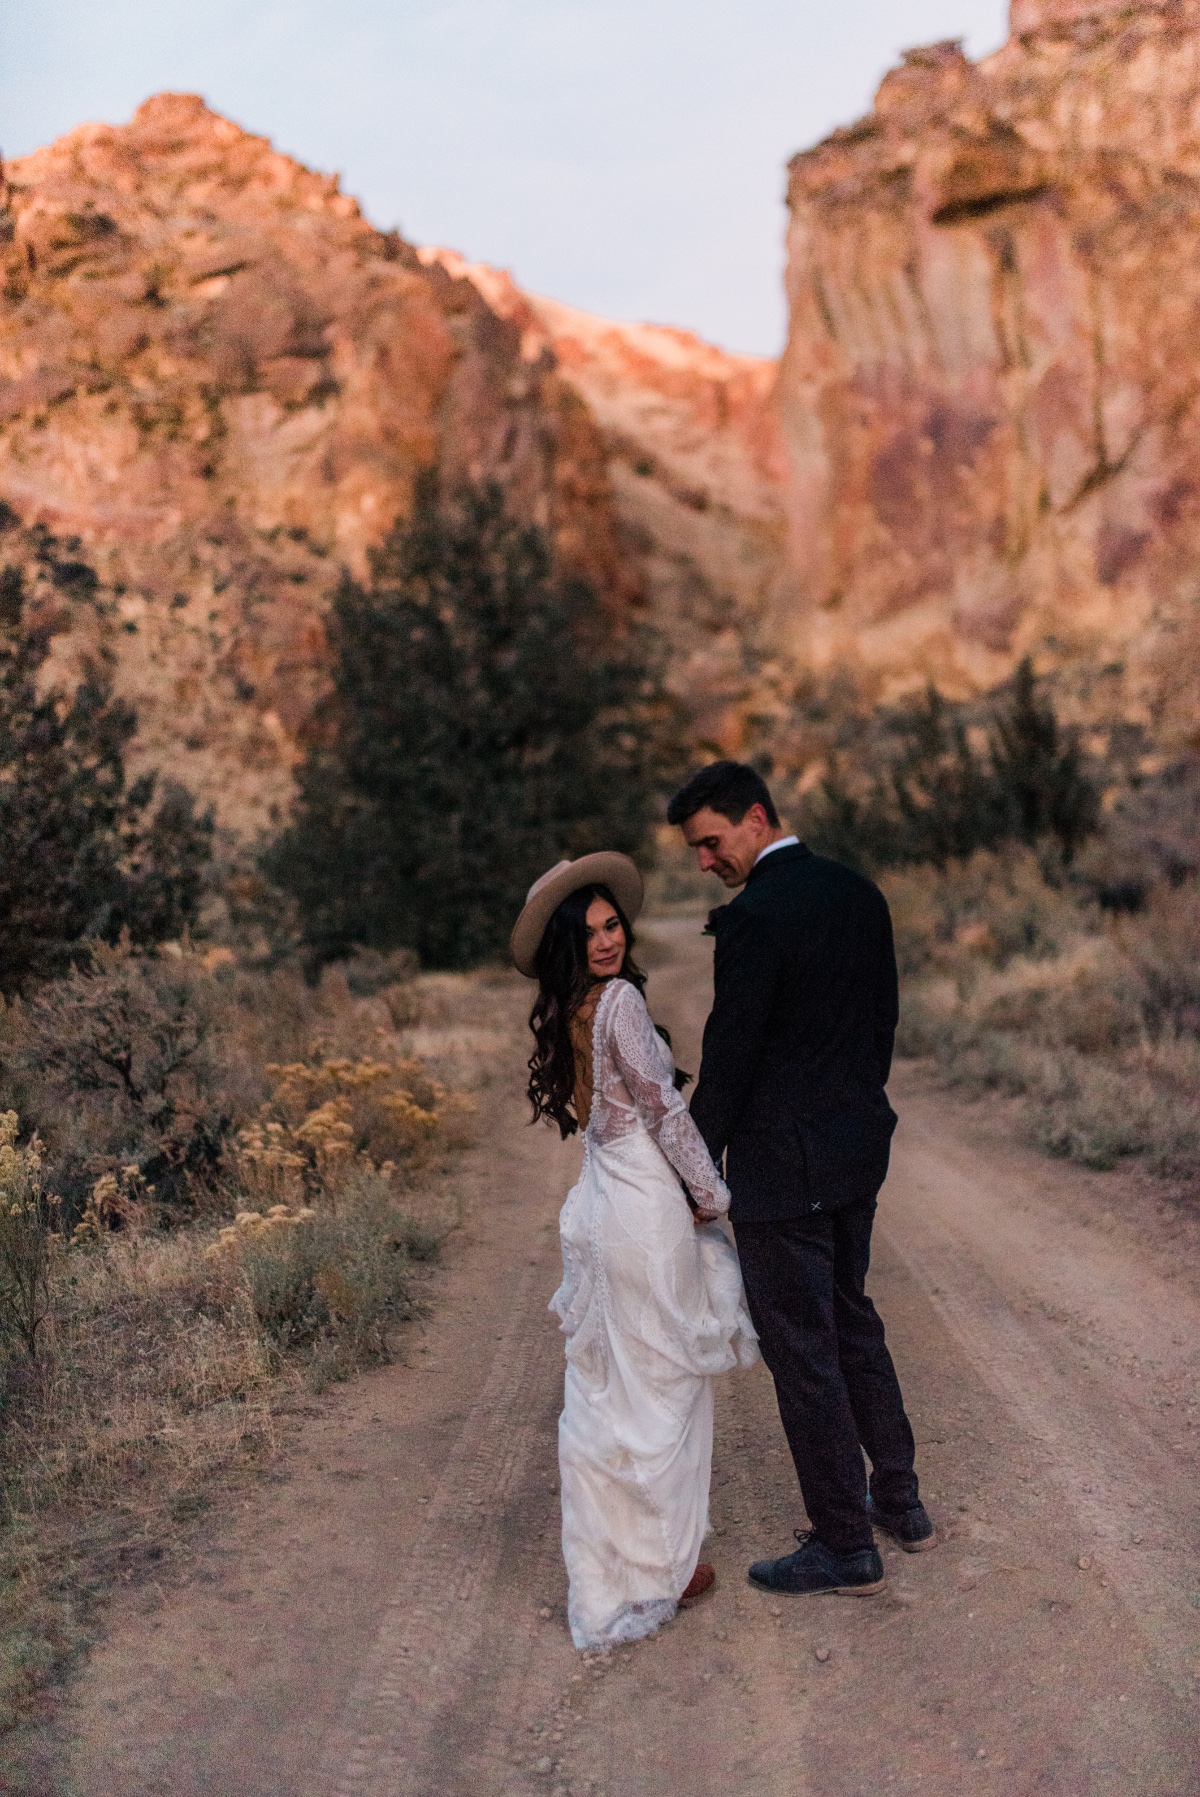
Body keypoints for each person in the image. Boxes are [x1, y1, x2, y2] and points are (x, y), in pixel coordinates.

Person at [667, 761, 935, 1598]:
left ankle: (842, 1541)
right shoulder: (860, 893)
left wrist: (690, 1163)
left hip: (785, 1170)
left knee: (803, 1348)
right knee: (851, 1317)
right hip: (856, 1152)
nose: (706, 861)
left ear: (754, 817)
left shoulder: (755, 919)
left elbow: (732, 1059)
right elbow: (881, 1026)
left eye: (711, 842)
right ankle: (900, 1500)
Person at [511, 852, 757, 1650]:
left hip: (604, 1202)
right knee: (669, 1384)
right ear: (569, 947)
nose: (609, 940)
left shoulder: (576, 1007)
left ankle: (627, 1557)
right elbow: (665, 1112)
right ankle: (668, 1563)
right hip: (644, 1207)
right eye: (591, 933)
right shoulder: (616, 1002)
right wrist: (712, 1197)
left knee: (620, 1386)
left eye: (613, 924)